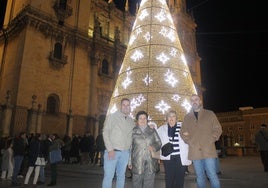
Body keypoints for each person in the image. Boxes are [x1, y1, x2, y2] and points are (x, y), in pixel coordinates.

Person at [180, 94, 222, 188]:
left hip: (208, 151)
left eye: (196, 99)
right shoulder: (187, 117)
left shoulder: (209, 114)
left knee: (212, 175)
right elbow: (182, 132)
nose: (194, 101)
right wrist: (189, 141)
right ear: (190, 103)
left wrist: (212, 138)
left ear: (200, 101)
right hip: (195, 151)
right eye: (192, 100)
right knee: (200, 177)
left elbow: (218, 128)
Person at [102, 98, 135, 188]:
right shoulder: (112, 117)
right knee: (109, 176)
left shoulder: (131, 121)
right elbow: (105, 132)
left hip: (125, 153)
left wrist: (130, 159)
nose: (126, 107)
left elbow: (132, 140)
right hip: (113, 152)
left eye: (128, 105)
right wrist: (110, 149)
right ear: (120, 106)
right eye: (124, 105)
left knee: (121, 176)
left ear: (130, 107)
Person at [157, 110, 192, 188]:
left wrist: (188, 135)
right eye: (169, 116)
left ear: (177, 118)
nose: (171, 118)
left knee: (180, 178)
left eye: (173, 116)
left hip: (180, 157)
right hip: (168, 157)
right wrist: (152, 125)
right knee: (169, 178)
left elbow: (192, 135)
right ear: (166, 118)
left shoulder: (183, 126)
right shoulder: (162, 128)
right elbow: (154, 135)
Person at [128, 111, 162, 188]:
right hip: (137, 161)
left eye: (144, 118)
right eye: (140, 118)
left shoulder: (152, 131)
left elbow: (159, 143)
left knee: (149, 183)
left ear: (147, 120)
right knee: (137, 183)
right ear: (137, 120)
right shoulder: (133, 131)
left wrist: (153, 147)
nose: (143, 120)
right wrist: (129, 161)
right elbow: (130, 147)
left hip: (150, 161)